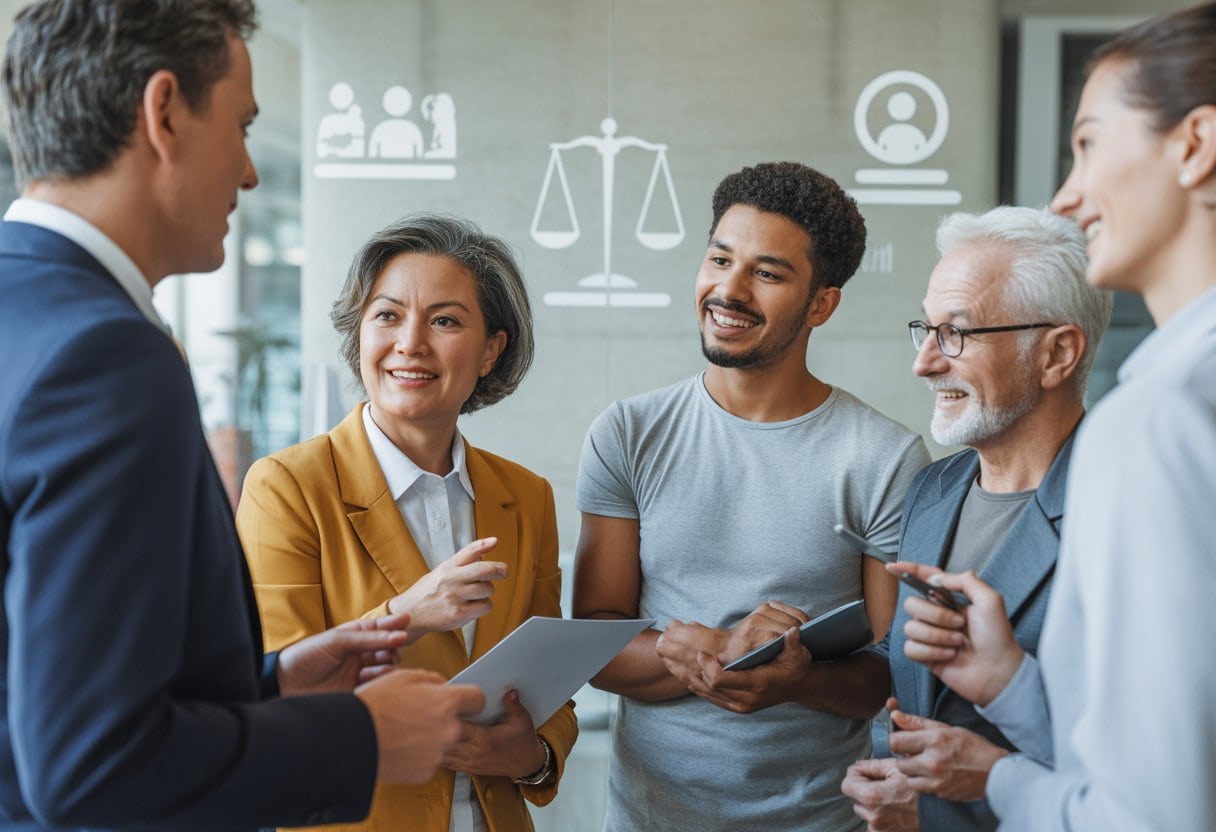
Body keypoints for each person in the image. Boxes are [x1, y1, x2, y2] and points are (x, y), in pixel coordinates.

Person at [0, 3, 484, 830]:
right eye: (244, 126)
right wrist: (362, 738)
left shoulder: (26, 308)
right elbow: (91, 767)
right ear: (164, 113)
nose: (252, 173)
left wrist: (270, 684)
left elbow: (38, 701)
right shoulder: (107, 356)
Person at [895, 4, 1216, 829]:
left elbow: (1157, 806)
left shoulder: (1158, 420)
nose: (1069, 195)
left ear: (1196, 144)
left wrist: (993, 782)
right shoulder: (931, 493)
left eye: (1089, 143)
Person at [573, 161, 932, 832]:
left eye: (767, 274)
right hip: (648, 819)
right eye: (719, 260)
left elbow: (888, 673)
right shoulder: (627, 434)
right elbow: (596, 639)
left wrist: (800, 681)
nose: (728, 291)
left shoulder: (884, 457)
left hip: (821, 822)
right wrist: (717, 650)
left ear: (821, 303)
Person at [236, 214, 577, 832]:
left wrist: (530, 756)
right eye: (387, 316)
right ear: (358, 334)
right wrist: (407, 614)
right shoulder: (286, 487)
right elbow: (270, 697)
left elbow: (552, 685)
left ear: (491, 350)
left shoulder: (526, 495)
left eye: (445, 320)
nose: (410, 343)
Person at [841, 206, 1111, 832]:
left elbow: (1157, 767)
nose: (926, 362)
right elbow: (914, 678)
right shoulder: (934, 489)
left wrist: (947, 811)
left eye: (956, 333)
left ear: (1056, 354)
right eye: (926, 330)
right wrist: (804, 671)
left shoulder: (1127, 510)